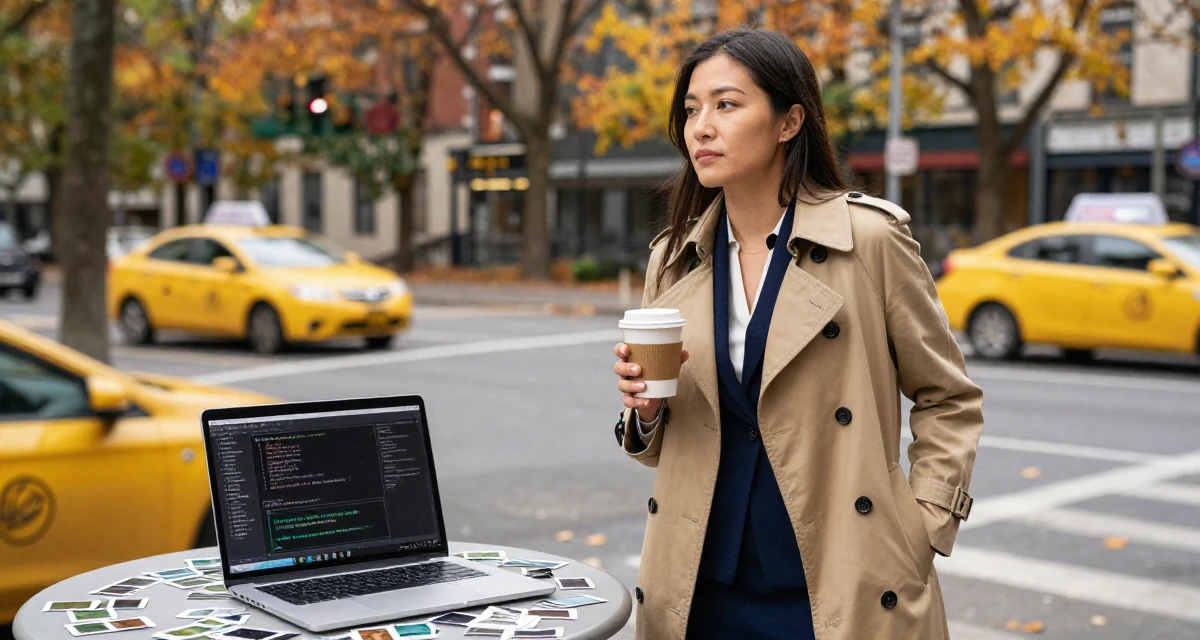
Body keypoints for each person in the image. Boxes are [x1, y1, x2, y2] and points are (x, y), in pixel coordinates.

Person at [611, 27, 984, 639]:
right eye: (692, 110)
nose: (701, 128)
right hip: (700, 585)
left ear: (789, 122)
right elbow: (657, 447)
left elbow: (949, 397)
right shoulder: (674, 258)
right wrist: (646, 411)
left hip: (841, 581)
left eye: (726, 105)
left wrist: (922, 526)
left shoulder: (868, 241)